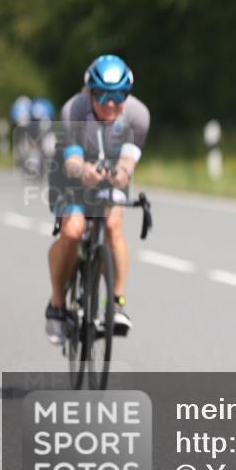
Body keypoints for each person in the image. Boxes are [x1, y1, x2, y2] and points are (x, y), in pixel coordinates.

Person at [44, 55, 150, 344]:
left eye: (119, 96)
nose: (111, 104)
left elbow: (128, 162)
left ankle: (116, 303)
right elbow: (72, 162)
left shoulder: (138, 115)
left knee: (113, 225)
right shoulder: (74, 109)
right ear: (90, 92)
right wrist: (84, 171)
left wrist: (122, 174)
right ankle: (57, 304)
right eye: (103, 95)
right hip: (71, 174)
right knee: (72, 231)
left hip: (109, 174)